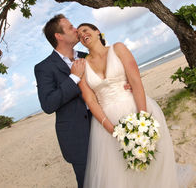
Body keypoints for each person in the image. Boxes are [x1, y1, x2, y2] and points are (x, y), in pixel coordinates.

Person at [77, 23, 179, 188]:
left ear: (97, 32)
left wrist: (143, 117)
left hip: (135, 108)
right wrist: (113, 130)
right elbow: (90, 100)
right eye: (79, 35)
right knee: (118, 170)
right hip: (106, 122)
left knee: (150, 162)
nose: (82, 35)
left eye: (85, 30)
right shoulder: (81, 65)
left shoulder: (118, 49)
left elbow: (136, 81)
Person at [34, 14, 91, 188]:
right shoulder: (44, 68)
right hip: (77, 137)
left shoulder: (86, 56)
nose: (76, 29)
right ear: (59, 36)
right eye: (71, 27)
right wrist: (74, 77)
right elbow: (48, 104)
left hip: (102, 126)